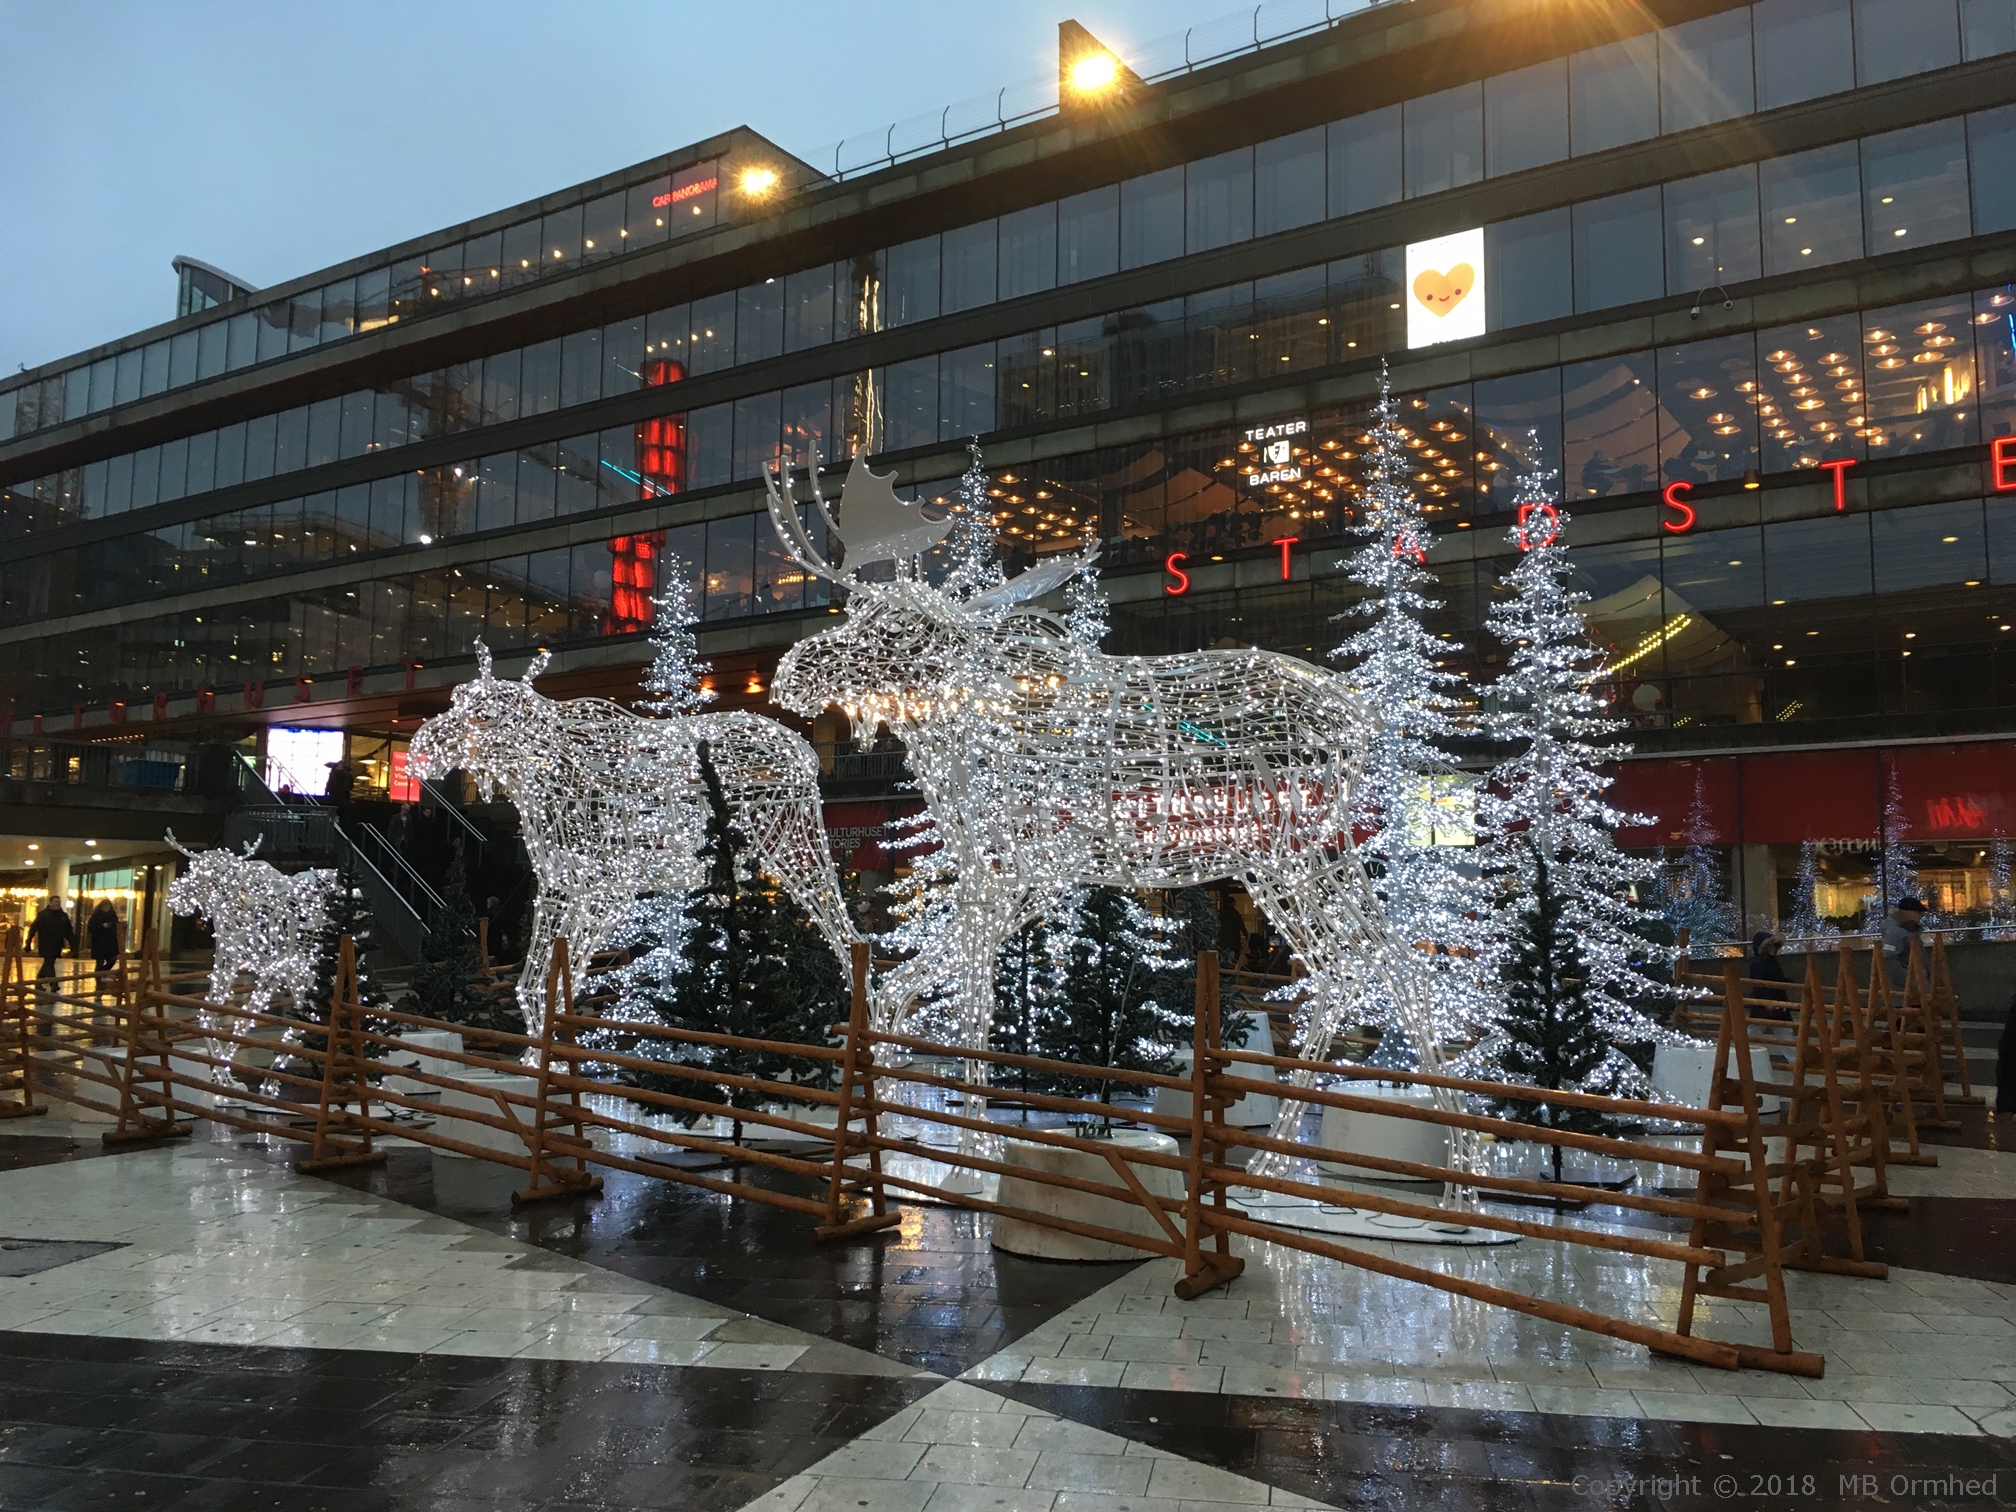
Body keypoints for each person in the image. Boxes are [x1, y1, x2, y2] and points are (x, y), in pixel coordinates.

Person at [25, 897, 74, 989]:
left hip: (57, 944)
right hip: (45, 943)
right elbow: (33, 928)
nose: (57, 904)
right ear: (50, 903)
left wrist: (73, 944)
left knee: (49, 962)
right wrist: (28, 942)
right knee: (49, 962)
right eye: (55, 902)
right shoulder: (43, 915)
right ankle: (53, 983)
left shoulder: (63, 916)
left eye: (59, 902)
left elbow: (68, 931)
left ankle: (39, 982)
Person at [1881, 896, 1927, 989]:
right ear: (1908, 912)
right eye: (1918, 913)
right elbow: (1890, 960)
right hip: (1905, 990)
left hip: (1913, 987)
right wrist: (1911, 980)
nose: (1920, 916)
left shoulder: (1908, 930)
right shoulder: (1895, 932)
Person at [1747, 930, 1791, 1018]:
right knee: (1756, 1025)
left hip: (1776, 999)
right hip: (1765, 1001)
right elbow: (1758, 983)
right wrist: (1766, 1000)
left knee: (1783, 1028)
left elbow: (1775, 978)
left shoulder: (1772, 962)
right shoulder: (1759, 963)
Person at [87, 899, 122, 997]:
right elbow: (90, 928)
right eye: (105, 907)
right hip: (99, 942)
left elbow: (116, 926)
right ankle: (99, 981)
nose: (106, 909)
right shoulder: (96, 916)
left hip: (110, 942)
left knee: (112, 959)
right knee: (99, 961)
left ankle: (102, 973)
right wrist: (102, 926)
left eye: (108, 907)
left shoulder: (112, 916)